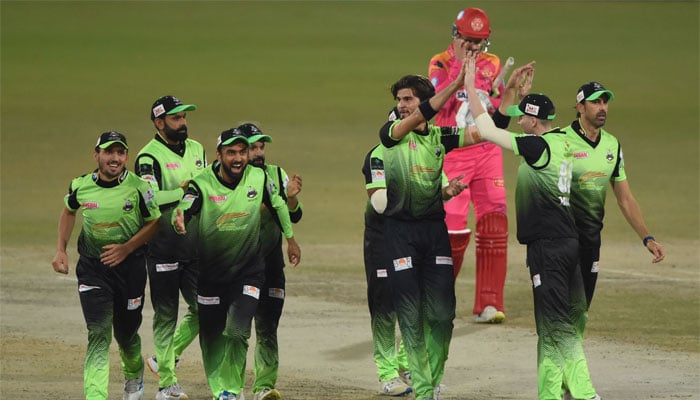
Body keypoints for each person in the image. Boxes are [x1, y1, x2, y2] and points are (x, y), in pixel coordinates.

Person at [462, 52, 600, 400]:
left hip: (548, 248)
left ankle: (585, 394)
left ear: (534, 122)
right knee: (551, 327)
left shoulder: (536, 147)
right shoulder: (561, 141)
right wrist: (515, 93)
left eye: (525, 116)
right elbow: (511, 117)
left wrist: (469, 85)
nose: (519, 119)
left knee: (557, 326)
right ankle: (549, 394)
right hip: (566, 244)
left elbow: (491, 128)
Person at [172, 128, 301, 400]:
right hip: (211, 274)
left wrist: (290, 239)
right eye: (232, 152)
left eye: (243, 151)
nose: (240, 157)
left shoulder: (261, 176)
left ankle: (233, 389)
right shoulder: (203, 182)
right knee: (211, 337)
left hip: (249, 272)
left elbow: (279, 206)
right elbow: (188, 202)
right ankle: (223, 389)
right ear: (219, 155)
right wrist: (181, 214)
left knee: (238, 331)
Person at [51, 131, 161, 400]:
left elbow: (155, 222)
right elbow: (68, 211)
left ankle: (134, 376)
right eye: (109, 152)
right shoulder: (80, 185)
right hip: (93, 269)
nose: (115, 158)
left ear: (126, 156)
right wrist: (61, 249)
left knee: (126, 334)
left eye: (120, 153)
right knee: (98, 332)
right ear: (96, 155)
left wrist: (126, 248)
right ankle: (96, 396)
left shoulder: (139, 188)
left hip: (131, 270)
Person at [362, 138, 465, 397]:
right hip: (383, 236)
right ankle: (387, 374)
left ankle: (410, 365)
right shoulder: (378, 155)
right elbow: (380, 204)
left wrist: (446, 191)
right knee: (385, 305)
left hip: (415, 237)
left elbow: (436, 189)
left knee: (417, 301)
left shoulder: (427, 151)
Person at [428, 6, 510, 323]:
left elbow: (499, 110)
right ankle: (438, 297)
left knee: (494, 224)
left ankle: (489, 303)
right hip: (454, 151)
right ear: (456, 36)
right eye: (469, 40)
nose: (475, 47)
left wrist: (507, 92)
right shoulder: (440, 62)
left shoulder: (493, 64)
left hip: (487, 150)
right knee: (452, 228)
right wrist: (461, 69)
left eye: (479, 41)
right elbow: (436, 103)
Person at [564, 82, 665, 311]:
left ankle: (569, 346)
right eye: (595, 102)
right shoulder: (561, 140)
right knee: (560, 309)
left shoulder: (612, 145)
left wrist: (647, 238)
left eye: (605, 102)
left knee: (581, 308)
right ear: (580, 107)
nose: (602, 108)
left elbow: (625, 198)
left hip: (590, 239)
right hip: (560, 238)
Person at [135, 95, 206, 400]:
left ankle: (163, 358)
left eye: (184, 117)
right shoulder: (148, 157)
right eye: (176, 118)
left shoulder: (197, 148)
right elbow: (148, 199)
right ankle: (167, 384)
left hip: (196, 246)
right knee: (166, 317)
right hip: (163, 247)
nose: (183, 123)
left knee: (208, 307)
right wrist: (180, 192)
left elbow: (205, 190)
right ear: (159, 122)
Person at [237, 122, 303, 400]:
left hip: (272, 265)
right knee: (237, 331)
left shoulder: (277, 174)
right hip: (239, 267)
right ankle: (231, 387)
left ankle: (264, 387)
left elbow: (295, 215)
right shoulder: (232, 178)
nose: (258, 152)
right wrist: (271, 201)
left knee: (267, 328)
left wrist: (290, 200)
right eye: (252, 147)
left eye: (261, 147)